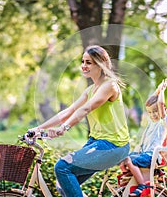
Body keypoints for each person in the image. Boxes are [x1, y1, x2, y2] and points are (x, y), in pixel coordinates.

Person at [29, 45, 130, 197]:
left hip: (114, 146)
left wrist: (63, 128)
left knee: (62, 167)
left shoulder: (110, 85)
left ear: (100, 64)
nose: (83, 66)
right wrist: (38, 128)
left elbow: (85, 109)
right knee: (64, 186)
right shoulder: (90, 90)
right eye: (83, 61)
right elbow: (68, 111)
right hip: (96, 142)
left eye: (88, 62)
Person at [119, 78, 167, 197]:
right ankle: (131, 178)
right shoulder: (152, 122)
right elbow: (151, 102)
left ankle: (142, 185)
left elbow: (159, 104)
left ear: (162, 110)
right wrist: (158, 90)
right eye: (150, 112)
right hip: (144, 154)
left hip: (152, 155)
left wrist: (162, 91)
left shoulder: (163, 122)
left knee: (128, 160)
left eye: (155, 111)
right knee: (122, 159)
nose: (153, 114)